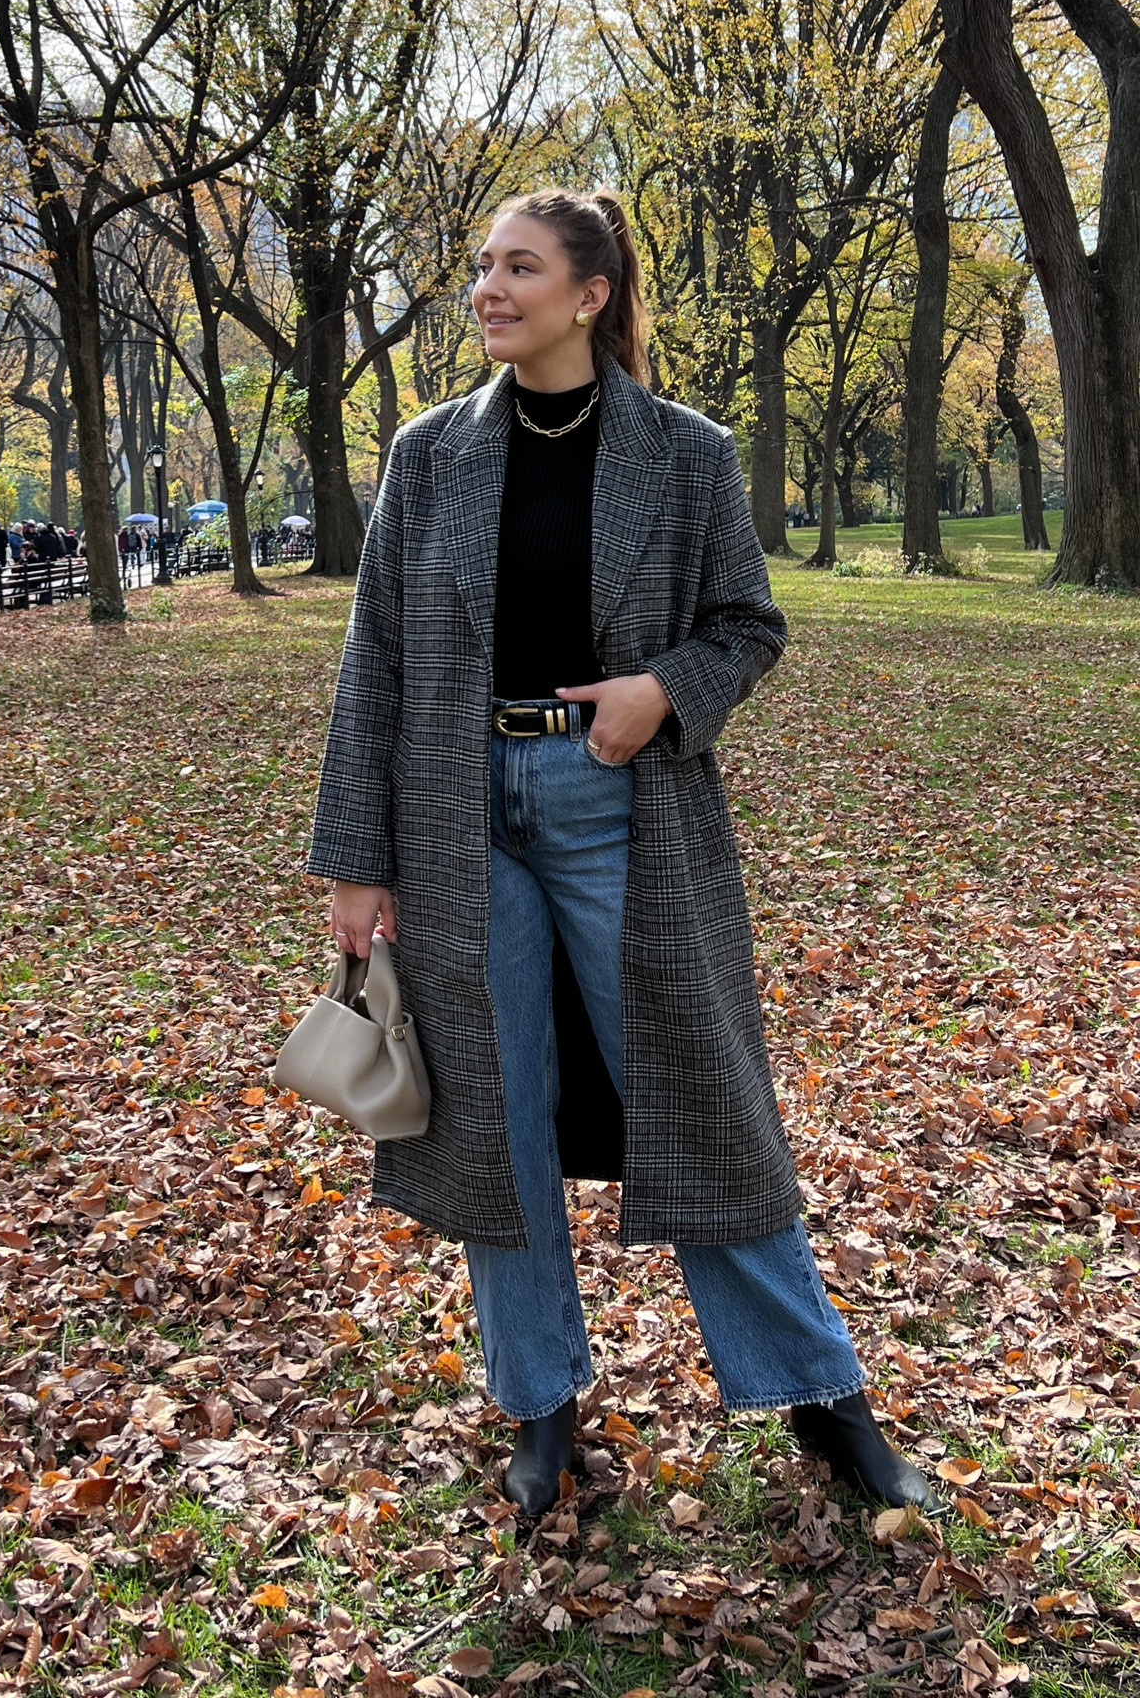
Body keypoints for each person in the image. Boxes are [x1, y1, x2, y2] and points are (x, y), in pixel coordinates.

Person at [306, 187, 940, 1520]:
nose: (488, 287)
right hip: (455, 814)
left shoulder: (686, 452)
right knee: (497, 1113)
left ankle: (826, 1403)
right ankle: (539, 1403)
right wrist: (356, 860)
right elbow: (375, 663)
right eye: (481, 264)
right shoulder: (428, 456)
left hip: (625, 811)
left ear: (590, 294)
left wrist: (662, 691)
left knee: (705, 1095)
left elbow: (747, 625)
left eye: (518, 267)